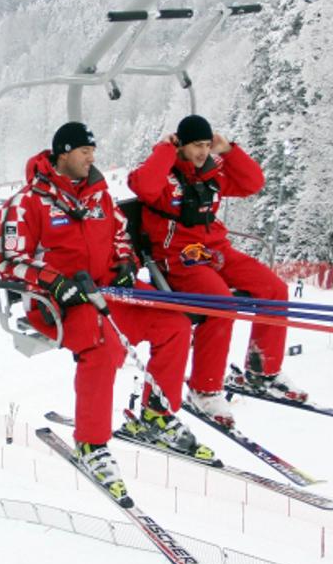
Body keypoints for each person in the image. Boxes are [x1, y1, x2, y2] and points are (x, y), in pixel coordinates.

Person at [0, 122, 206, 507]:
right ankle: (92, 443)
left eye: (93, 150)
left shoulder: (99, 197)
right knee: (103, 346)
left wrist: (125, 262)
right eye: (83, 151)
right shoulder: (27, 203)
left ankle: (157, 413)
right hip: (61, 304)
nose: (92, 157)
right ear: (62, 153)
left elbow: (121, 235)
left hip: (111, 291)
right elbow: (8, 261)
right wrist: (52, 281)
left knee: (175, 320)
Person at [128, 114, 305, 429]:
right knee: (222, 304)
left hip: (215, 251)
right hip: (180, 256)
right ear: (182, 144)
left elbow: (253, 183)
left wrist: (228, 151)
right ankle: (205, 388)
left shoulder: (212, 173)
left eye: (206, 145)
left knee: (274, 288)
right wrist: (166, 150)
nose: (202, 152)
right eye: (197, 145)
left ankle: (263, 369)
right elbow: (142, 185)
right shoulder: (165, 176)